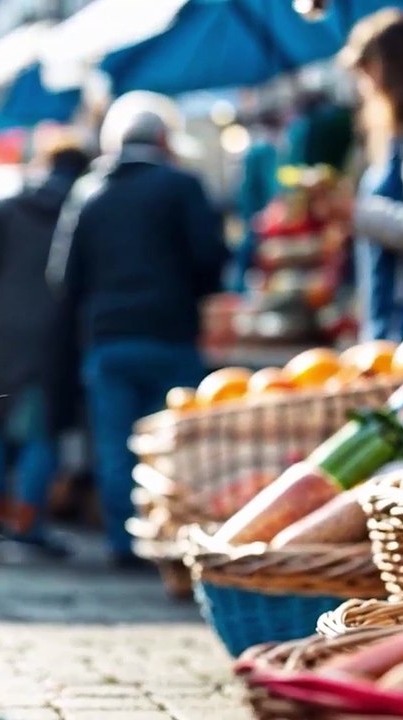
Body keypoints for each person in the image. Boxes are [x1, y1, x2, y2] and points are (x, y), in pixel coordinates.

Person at [47, 92, 229, 568]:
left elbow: (62, 278)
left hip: (108, 340)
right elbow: (210, 260)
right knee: (174, 447)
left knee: (115, 445)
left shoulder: (89, 192)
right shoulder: (182, 186)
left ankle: (123, 543)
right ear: (165, 138)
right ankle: (171, 542)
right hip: (170, 334)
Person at [0, 143, 92, 560]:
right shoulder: (84, 210)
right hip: (53, 336)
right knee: (40, 433)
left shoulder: (2, 208)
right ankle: (28, 526)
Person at [331, 10, 403, 342]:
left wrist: (356, 211)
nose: (364, 86)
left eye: (366, 71)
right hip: (392, 317)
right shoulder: (401, 133)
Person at [231, 110, 284, 293]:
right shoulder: (264, 150)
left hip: (260, 221)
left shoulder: (259, 149)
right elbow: (272, 188)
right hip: (263, 222)